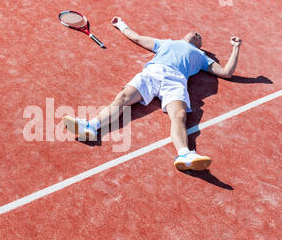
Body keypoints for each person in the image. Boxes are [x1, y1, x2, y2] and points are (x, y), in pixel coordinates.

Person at [63, 17, 242, 171]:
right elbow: (138, 38)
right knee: (122, 98)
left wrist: (235, 48)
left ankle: (185, 155)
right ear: (183, 35)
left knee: (179, 116)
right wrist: (122, 24)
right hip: (152, 73)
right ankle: (91, 127)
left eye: (199, 37)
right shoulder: (167, 42)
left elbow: (226, 72)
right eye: (194, 32)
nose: (196, 33)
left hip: (176, 81)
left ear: (200, 45)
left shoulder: (202, 56)